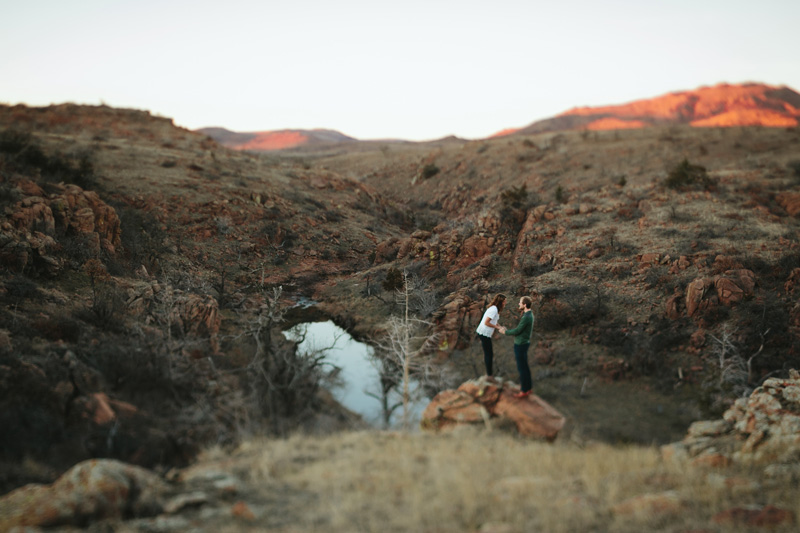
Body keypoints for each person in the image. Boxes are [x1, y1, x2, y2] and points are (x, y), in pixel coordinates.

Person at [499, 296, 534, 398]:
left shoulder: (526, 317)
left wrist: (504, 332)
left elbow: (518, 331)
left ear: (525, 305)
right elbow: (519, 330)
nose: (518, 304)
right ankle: (528, 388)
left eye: (520, 302)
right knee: (525, 367)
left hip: (520, 344)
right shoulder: (529, 314)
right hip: (524, 343)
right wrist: (507, 330)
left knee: (522, 368)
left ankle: (523, 391)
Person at [475, 293, 506, 377]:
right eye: (504, 302)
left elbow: (494, 320)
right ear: (500, 302)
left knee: (488, 353)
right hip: (484, 333)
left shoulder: (495, 309)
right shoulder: (494, 309)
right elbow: (487, 322)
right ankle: (489, 375)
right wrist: (497, 327)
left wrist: (500, 326)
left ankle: (489, 373)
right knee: (489, 354)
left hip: (484, 332)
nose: (505, 303)